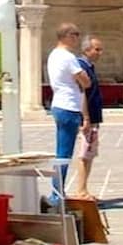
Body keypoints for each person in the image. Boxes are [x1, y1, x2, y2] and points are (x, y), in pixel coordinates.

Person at [45, 23, 90, 203]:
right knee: (64, 154)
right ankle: (56, 195)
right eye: (75, 34)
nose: (77, 38)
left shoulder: (53, 55)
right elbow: (85, 81)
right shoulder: (67, 56)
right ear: (66, 36)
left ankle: (57, 192)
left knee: (62, 152)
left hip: (59, 105)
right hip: (69, 106)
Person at [66, 34, 104, 199]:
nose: (100, 52)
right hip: (87, 117)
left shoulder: (89, 66)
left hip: (93, 117)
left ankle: (84, 189)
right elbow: (82, 94)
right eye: (97, 49)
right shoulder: (81, 67)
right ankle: (80, 190)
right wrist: (86, 118)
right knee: (85, 153)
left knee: (89, 154)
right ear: (87, 50)